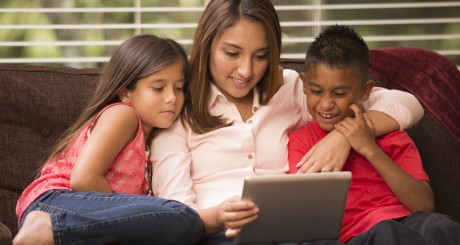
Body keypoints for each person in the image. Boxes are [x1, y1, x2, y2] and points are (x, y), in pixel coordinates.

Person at [151, 0, 424, 243]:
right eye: (232, 54)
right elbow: (177, 215)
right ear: (206, 46)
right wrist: (219, 217)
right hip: (222, 235)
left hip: (296, 233)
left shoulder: (292, 90)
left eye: (261, 56)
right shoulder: (176, 110)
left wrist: (342, 135)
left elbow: (406, 104)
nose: (247, 71)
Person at [13, 34, 203, 245]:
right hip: (54, 203)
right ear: (125, 92)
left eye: (179, 88)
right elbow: (83, 178)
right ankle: (46, 229)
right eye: (158, 88)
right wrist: (126, 215)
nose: (172, 98)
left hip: (72, 212)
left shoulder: (154, 142)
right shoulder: (123, 114)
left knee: (174, 223)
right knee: (181, 216)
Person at [288, 25, 460, 244]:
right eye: (316, 91)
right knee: (386, 233)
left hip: (409, 222)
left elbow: (424, 205)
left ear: (365, 90)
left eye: (340, 93)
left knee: (442, 226)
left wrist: (369, 148)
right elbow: (306, 211)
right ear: (303, 85)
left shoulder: (390, 133)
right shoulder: (302, 142)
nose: (327, 103)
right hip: (357, 235)